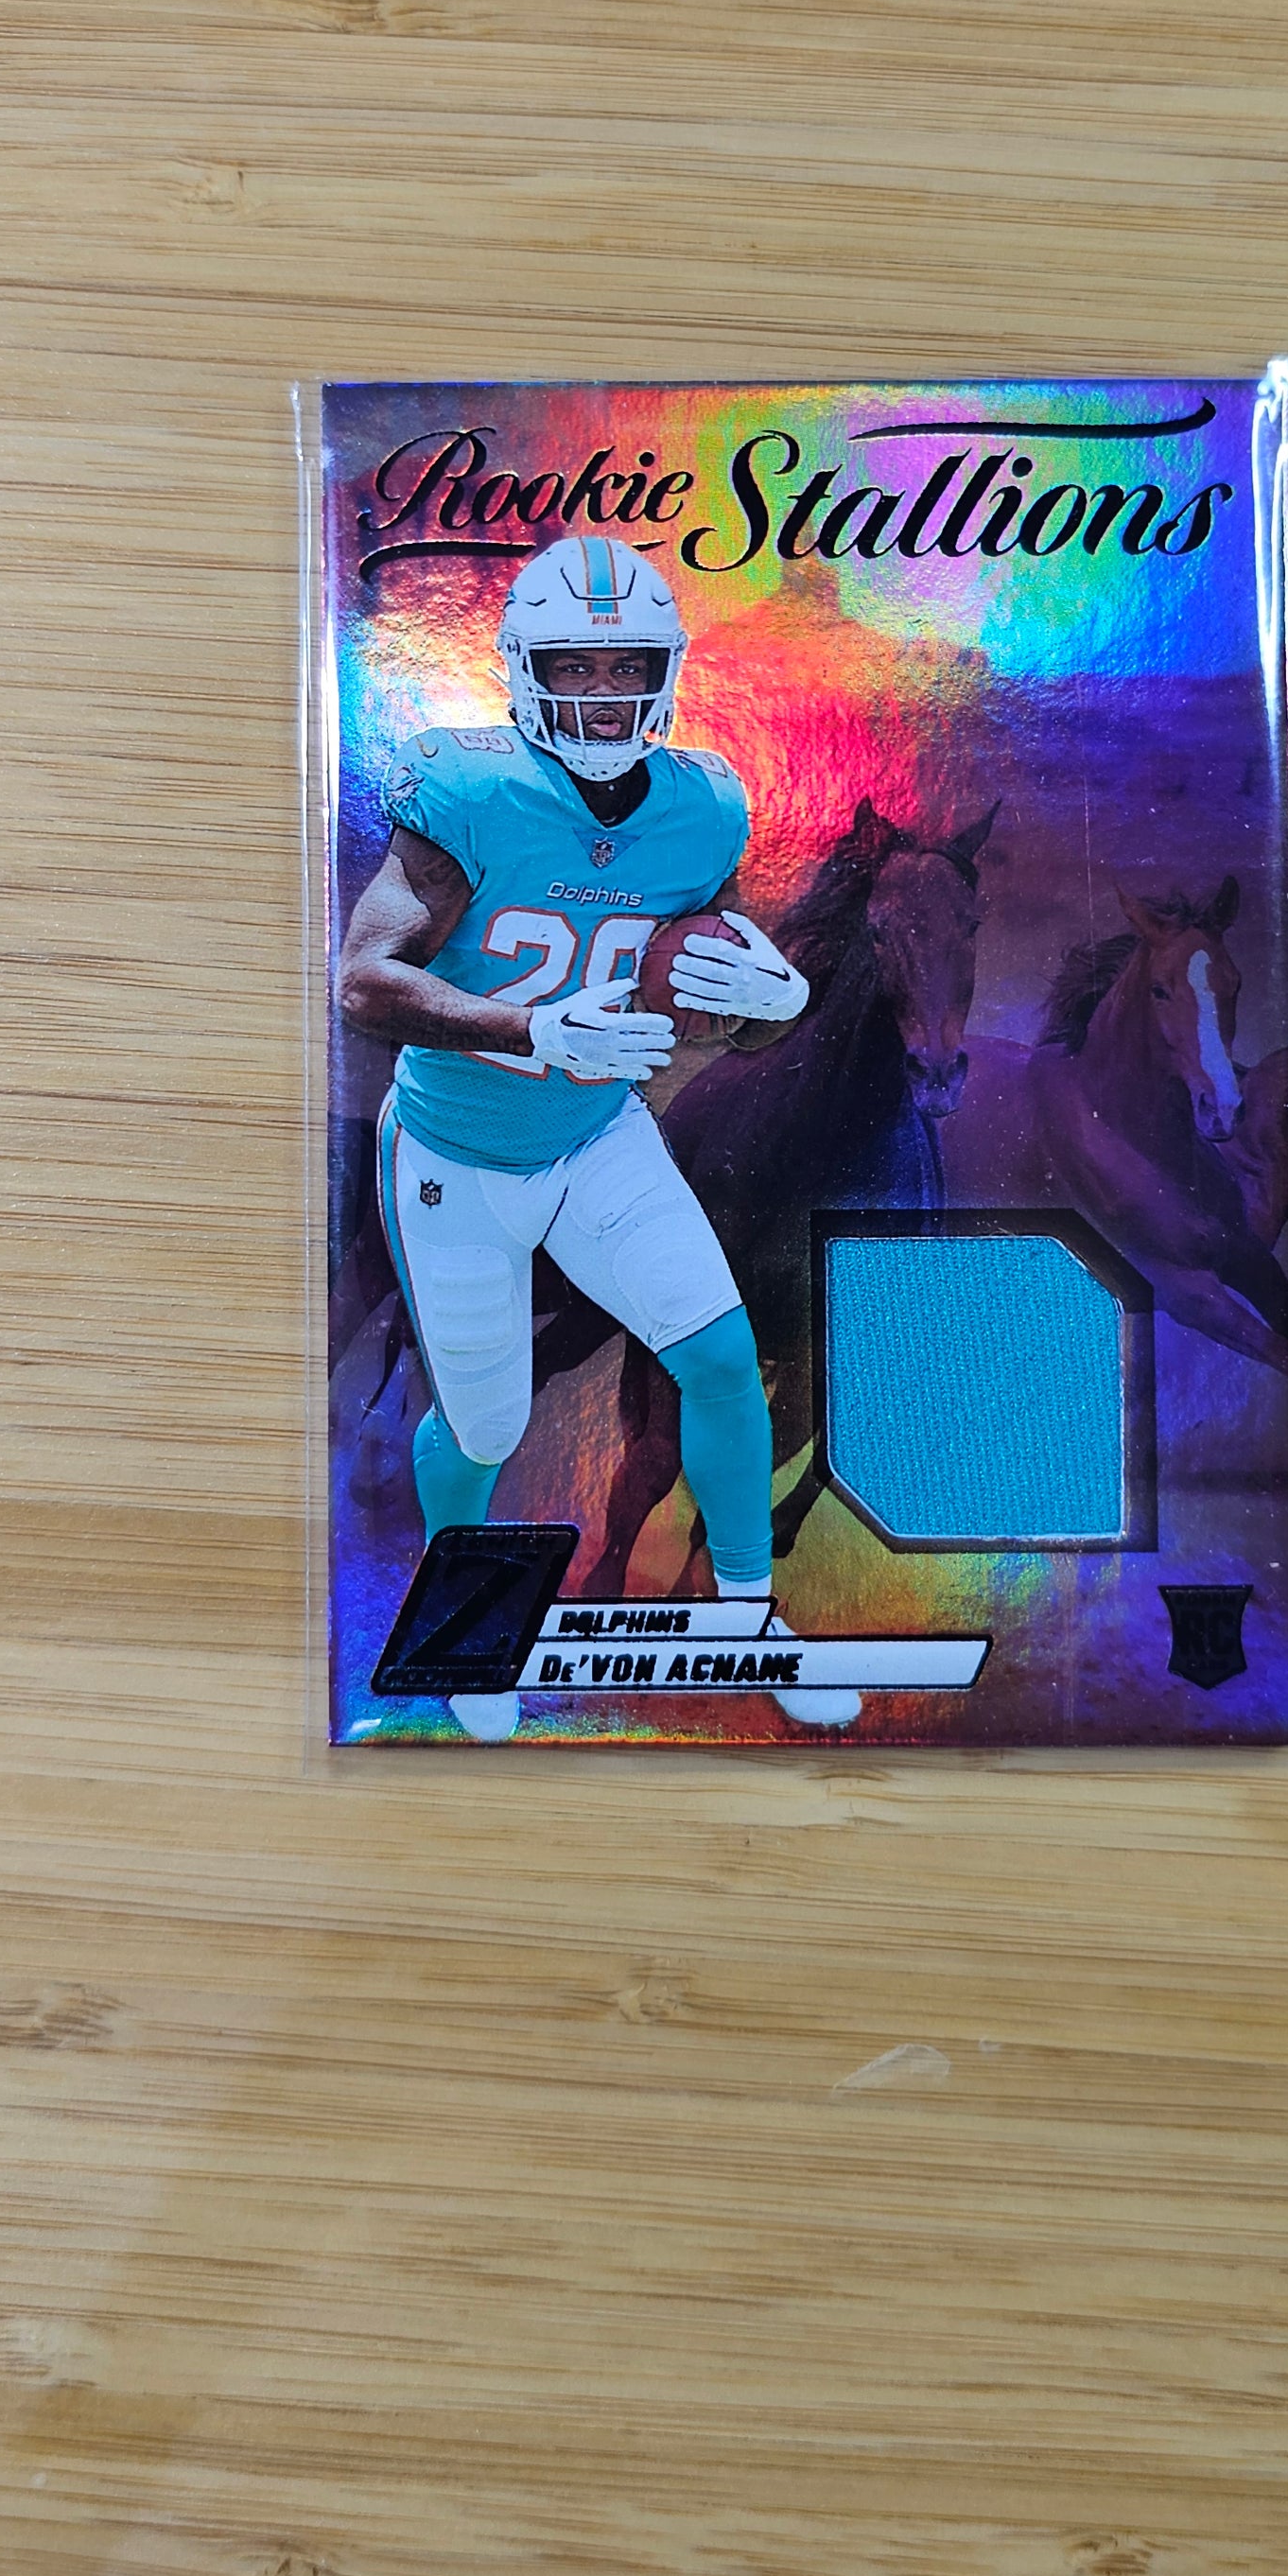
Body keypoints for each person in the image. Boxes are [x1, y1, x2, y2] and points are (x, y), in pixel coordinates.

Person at [336, 532, 861, 1740]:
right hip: (457, 1151)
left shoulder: (701, 805)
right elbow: (363, 982)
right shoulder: (467, 791)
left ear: (665, 672)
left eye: (627, 666)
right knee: (486, 1424)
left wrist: (773, 1001)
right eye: (573, 665)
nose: (604, 692)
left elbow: (710, 989)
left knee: (719, 1361)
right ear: (524, 671)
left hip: (594, 1136)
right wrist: (531, 1026)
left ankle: (744, 1620)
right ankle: (462, 1629)